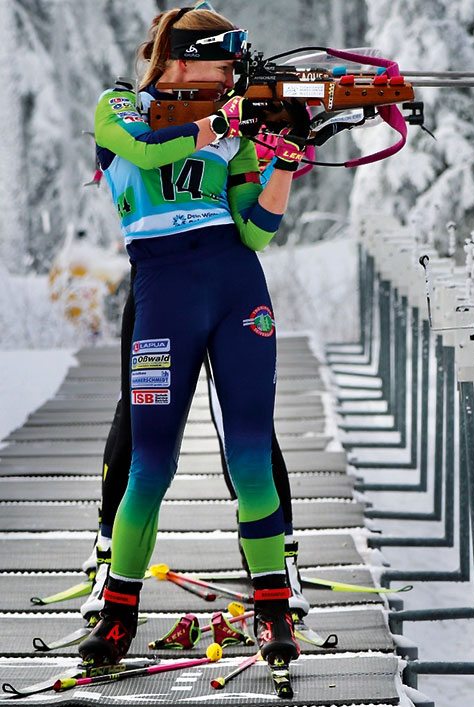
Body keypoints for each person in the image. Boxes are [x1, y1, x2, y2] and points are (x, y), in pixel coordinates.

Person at [78, 5, 308, 668]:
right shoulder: (119, 108)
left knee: (251, 456)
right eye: (223, 57)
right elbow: (150, 149)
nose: (233, 71)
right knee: (152, 464)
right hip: (162, 292)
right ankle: (118, 612)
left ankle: (272, 609)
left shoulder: (226, 126)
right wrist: (221, 122)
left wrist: (284, 164)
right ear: (182, 58)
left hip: (237, 286)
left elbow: (255, 229)